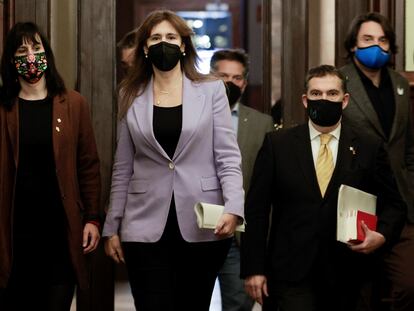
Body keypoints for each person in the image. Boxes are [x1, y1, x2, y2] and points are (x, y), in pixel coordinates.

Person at [102, 10, 244, 311]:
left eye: (170, 37)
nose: (163, 43)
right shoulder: (130, 93)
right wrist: (111, 227)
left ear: (183, 45)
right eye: (155, 38)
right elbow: (123, 166)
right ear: (144, 47)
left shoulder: (211, 90)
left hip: (201, 225)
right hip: (144, 225)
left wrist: (233, 207)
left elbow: (228, 156)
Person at [241, 65, 406, 311]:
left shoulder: (370, 146)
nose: (324, 99)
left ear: (345, 100)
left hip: (349, 274)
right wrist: (254, 269)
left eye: (332, 93)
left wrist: (380, 235)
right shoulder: (278, 145)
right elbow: (256, 210)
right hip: (291, 273)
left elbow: (394, 204)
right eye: (317, 94)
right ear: (305, 101)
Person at [0, 22, 101, 310]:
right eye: (22, 50)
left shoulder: (73, 104)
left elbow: (88, 165)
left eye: (37, 48)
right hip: (15, 233)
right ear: (11, 59)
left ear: (48, 53)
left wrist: (93, 218)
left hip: (59, 233)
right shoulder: (3, 106)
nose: (30, 56)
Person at [341, 12, 414, 311]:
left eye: (382, 40)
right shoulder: (338, 80)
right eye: (368, 39)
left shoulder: (399, 84)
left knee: (409, 283)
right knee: (358, 290)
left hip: (400, 202)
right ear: (353, 45)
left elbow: (407, 146)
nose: (376, 46)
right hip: (354, 199)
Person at [210, 48, 274, 311]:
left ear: (245, 84)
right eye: (223, 75)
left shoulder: (262, 123)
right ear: (209, 78)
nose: (230, 82)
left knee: (238, 304)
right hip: (193, 228)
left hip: (239, 231)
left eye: (237, 78)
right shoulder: (189, 115)